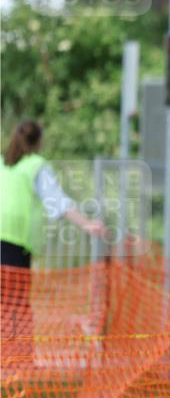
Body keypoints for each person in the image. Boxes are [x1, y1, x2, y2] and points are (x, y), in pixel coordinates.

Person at [1, 120, 106, 360]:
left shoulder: (2, 166)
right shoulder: (37, 167)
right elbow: (57, 202)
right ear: (39, 142)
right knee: (16, 307)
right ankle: (19, 362)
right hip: (14, 247)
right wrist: (87, 224)